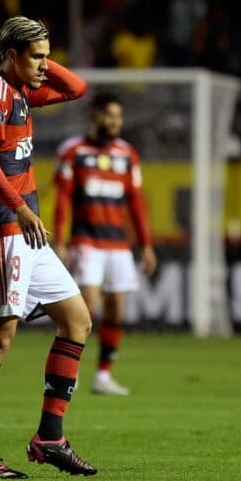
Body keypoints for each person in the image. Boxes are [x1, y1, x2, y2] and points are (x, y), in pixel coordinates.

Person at [0, 15, 95, 480]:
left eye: (47, 55)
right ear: (10, 56)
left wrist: (41, 62)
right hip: (3, 227)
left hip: (25, 231)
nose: (45, 65)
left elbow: (76, 88)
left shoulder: (19, 91)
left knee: (76, 321)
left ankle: (50, 438)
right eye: (36, 55)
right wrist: (18, 206)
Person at [53, 92, 156, 396]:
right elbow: (62, 199)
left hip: (118, 244)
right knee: (85, 311)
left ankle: (103, 375)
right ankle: (72, 374)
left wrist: (146, 245)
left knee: (115, 311)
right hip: (86, 242)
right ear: (95, 116)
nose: (115, 122)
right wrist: (60, 241)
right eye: (110, 115)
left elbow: (136, 204)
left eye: (118, 116)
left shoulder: (127, 155)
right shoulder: (73, 151)